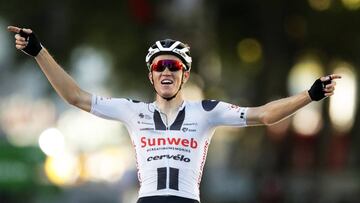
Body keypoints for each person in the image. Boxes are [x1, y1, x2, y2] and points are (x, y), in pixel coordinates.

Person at [8, 26, 341, 203]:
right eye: (159, 66)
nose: (166, 71)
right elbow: (75, 97)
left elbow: (265, 115)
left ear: (184, 75)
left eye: (174, 66)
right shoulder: (132, 110)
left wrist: (310, 95)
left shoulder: (207, 111)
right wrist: (38, 51)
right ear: (150, 75)